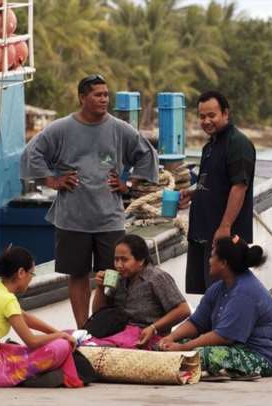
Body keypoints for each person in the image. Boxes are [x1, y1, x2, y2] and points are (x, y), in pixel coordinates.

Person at [20, 74, 159, 328]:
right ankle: (84, 329)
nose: (104, 99)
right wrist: (53, 181)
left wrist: (129, 184)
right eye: (98, 94)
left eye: (106, 94)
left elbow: (147, 155)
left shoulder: (119, 128)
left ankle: (104, 325)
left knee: (112, 277)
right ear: (82, 97)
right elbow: (32, 152)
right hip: (72, 218)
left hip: (110, 218)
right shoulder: (61, 128)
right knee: (78, 274)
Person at [0, 246, 82, 388]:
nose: (31, 280)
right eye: (31, 274)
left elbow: (25, 317)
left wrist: (58, 333)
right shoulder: (7, 299)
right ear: (21, 272)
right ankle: (35, 377)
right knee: (62, 346)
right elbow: (32, 341)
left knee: (60, 338)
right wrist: (61, 336)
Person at [158, 235, 272, 380]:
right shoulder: (218, 288)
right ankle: (221, 370)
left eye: (212, 257)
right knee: (168, 346)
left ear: (223, 263)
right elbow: (196, 322)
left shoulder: (245, 292)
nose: (209, 261)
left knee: (199, 355)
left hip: (258, 356)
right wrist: (170, 338)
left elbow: (224, 337)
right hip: (231, 348)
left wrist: (183, 348)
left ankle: (228, 370)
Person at [181, 90, 257, 294]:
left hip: (223, 236)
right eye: (202, 116)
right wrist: (193, 193)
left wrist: (225, 227)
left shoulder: (237, 143)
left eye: (211, 115)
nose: (206, 121)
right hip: (202, 232)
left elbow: (240, 186)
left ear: (225, 113)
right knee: (208, 293)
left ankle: (224, 327)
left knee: (224, 292)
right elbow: (214, 182)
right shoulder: (210, 146)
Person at [89, 234, 191, 349]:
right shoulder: (120, 279)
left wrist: (153, 328)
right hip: (118, 332)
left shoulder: (156, 278)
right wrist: (100, 288)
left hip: (145, 337)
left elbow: (183, 310)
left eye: (124, 260)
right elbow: (98, 313)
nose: (118, 265)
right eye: (116, 259)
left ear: (141, 260)